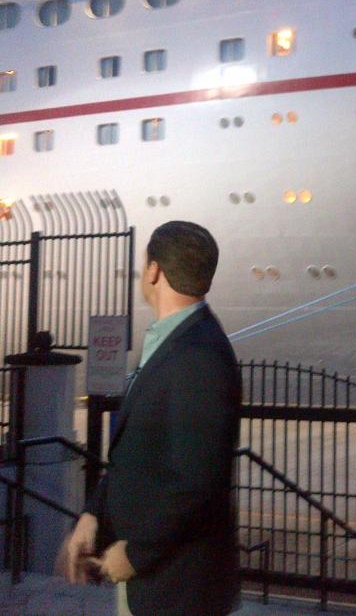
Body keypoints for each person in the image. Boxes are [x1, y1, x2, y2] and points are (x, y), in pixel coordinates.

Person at [62, 221, 242, 616]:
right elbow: (138, 453)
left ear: (154, 271)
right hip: (155, 577)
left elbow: (198, 479)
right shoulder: (178, 339)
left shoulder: (199, 355)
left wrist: (138, 554)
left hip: (176, 586)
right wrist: (95, 512)